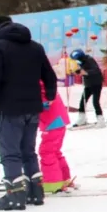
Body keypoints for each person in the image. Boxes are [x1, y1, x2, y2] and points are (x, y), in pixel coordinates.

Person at [0, 16, 59, 211]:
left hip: (9, 109)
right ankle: (35, 193)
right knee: (28, 152)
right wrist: (51, 95)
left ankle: (15, 196)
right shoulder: (35, 47)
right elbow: (49, 75)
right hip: (33, 109)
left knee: (10, 153)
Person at [37, 63, 72, 195]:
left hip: (52, 122)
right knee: (54, 151)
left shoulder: (39, 84)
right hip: (57, 120)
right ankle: (63, 178)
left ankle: (53, 182)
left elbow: (43, 103)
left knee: (46, 151)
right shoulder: (45, 81)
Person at [70, 48, 106, 128]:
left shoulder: (89, 60)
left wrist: (86, 72)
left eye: (76, 59)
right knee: (83, 101)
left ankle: (100, 119)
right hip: (88, 84)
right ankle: (82, 118)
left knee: (95, 102)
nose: (76, 61)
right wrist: (78, 71)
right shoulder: (82, 61)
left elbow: (95, 70)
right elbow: (83, 69)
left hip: (96, 83)